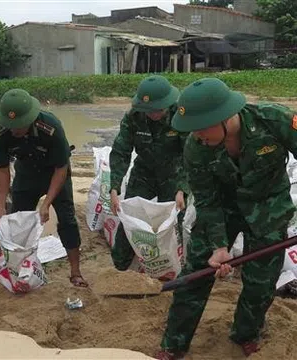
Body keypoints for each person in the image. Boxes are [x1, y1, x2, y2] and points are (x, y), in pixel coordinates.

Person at [156, 78, 297, 359]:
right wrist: (219, 246)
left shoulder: (274, 120)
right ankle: (174, 344)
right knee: (195, 275)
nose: (196, 135)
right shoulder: (196, 147)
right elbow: (207, 201)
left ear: (223, 117)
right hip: (223, 209)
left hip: (269, 208)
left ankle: (245, 333)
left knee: (260, 283)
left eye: (200, 127)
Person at [0, 88, 88, 287]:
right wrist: (0, 205)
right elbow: (2, 170)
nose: (14, 130)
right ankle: (18, 269)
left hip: (54, 174)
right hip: (26, 175)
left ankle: (75, 272)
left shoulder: (51, 127)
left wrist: (46, 203)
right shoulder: (1, 131)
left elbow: (61, 169)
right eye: (11, 125)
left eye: (19, 126)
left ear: (31, 118)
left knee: (67, 220)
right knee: (17, 222)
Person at [109, 75, 188, 272]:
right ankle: (120, 267)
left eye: (158, 109)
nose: (153, 114)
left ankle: (171, 268)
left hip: (174, 173)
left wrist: (183, 188)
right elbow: (121, 151)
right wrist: (114, 187)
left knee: (172, 223)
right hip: (144, 172)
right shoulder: (133, 117)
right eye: (149, 110)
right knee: (130, 217)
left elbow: (192, 154)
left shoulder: (180, 116)